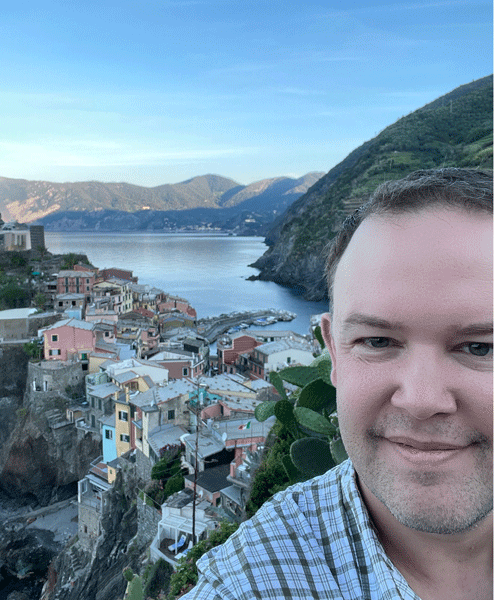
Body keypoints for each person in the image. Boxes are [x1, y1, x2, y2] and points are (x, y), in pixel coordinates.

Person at [181, 168, 492, 600]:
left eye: (480, 348)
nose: (421, 400)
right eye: (377, 341)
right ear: (332, 349)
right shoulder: (251, 584)